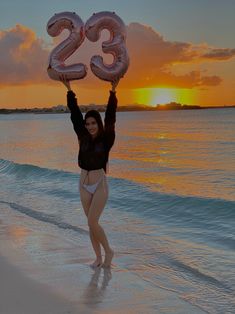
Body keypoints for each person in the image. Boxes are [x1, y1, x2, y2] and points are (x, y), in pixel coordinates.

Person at [66, 87, 117, 268]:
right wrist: (70, 92)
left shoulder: (106, 139)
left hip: (99, 184)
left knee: (92, 221)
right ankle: (98, 257)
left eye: (93, 123)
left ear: (99, 123)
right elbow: (75, 115)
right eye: (87, 124)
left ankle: (109, 251)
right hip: (83, 183)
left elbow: (111, 118)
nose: (90, 127)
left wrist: (112, 94)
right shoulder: (82, 137)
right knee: (91, 225)